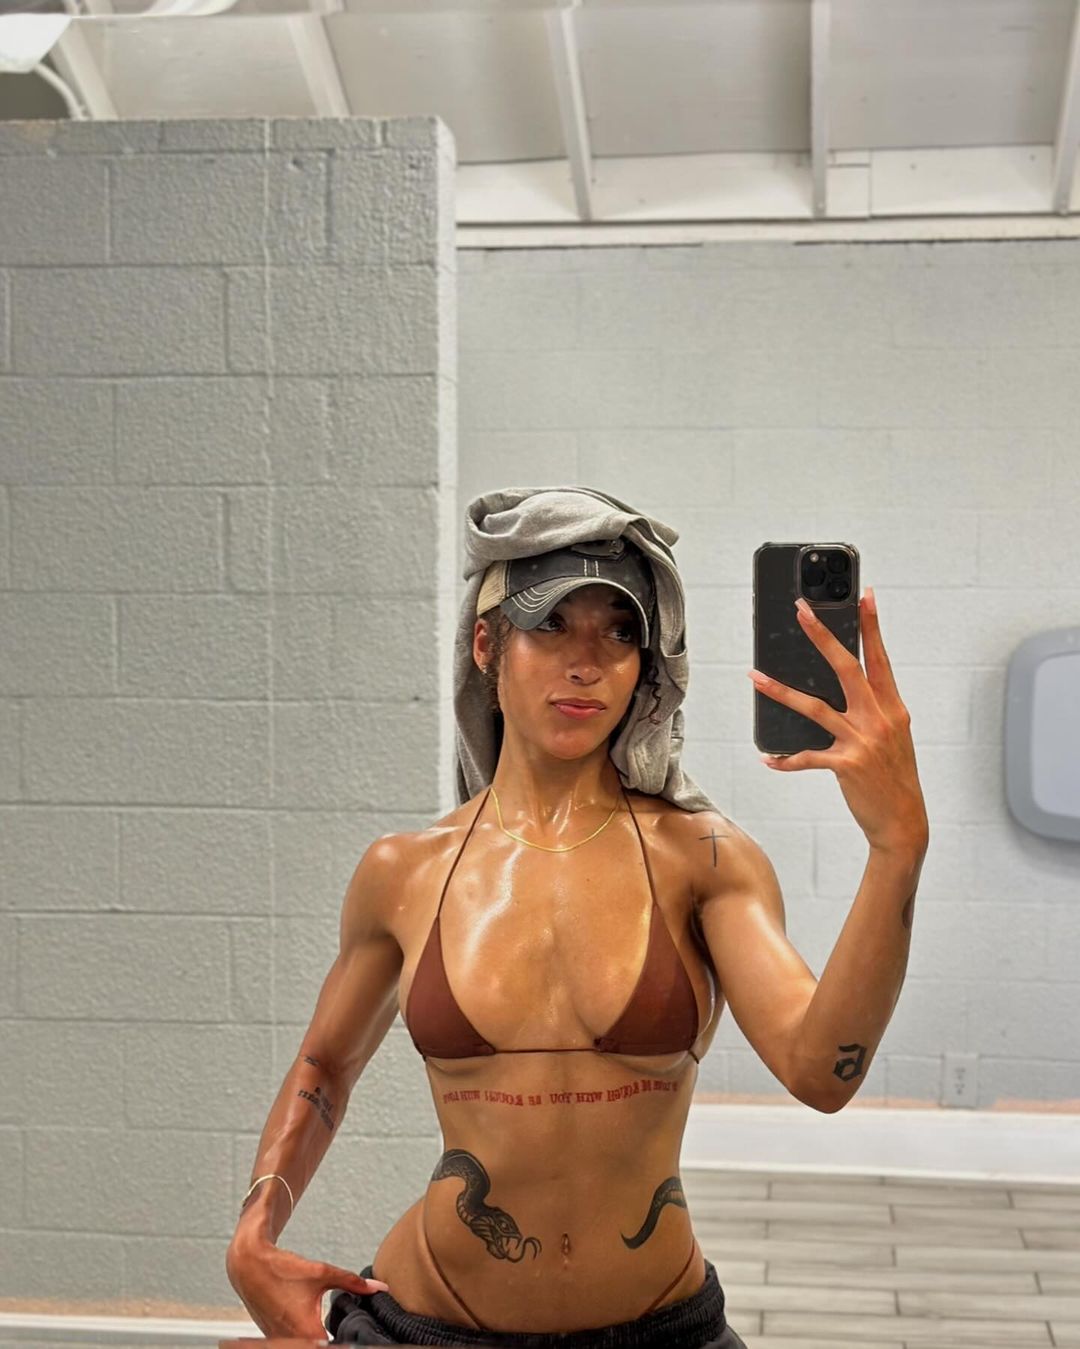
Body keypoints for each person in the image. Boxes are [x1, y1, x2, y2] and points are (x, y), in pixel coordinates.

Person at [225, 488, 928, 1348]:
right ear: (487, 645)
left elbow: (823, 1072)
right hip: (426, 1325)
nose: (586, 662)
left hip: (659, 1331)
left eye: (619, 632)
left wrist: (897, 847)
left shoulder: (702, 858)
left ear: (646, 664)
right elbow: (326, 1063)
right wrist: (256, 1228)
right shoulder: (405, 871)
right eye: (551, 624)